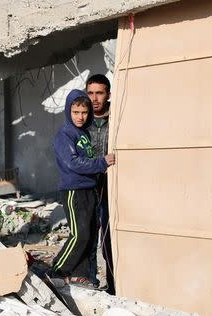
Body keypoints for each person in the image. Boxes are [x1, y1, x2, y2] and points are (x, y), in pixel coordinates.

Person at [51, 89, 115, 287]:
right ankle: (57, 270)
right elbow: (74, 163)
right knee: (79, 234)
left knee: (89, 237)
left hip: (89, 190)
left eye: (84, 112)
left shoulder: (83, 134)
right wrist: (101, 163)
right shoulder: (65, 134)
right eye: (76, 112)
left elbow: (86, 159)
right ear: (68, 112)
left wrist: (98, 171)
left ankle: (82, 275)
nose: (80, 117)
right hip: (74, 191)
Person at [86, 74, 115, 294]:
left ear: (108, 95)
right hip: (86, 186)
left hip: (111, 186)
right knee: (86, 238)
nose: (94, 98)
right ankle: (90, 284)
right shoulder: (81, 120)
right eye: (90, 93)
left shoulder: (116, 119)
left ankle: (114, 287)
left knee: (108, 240)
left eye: (99, 93)